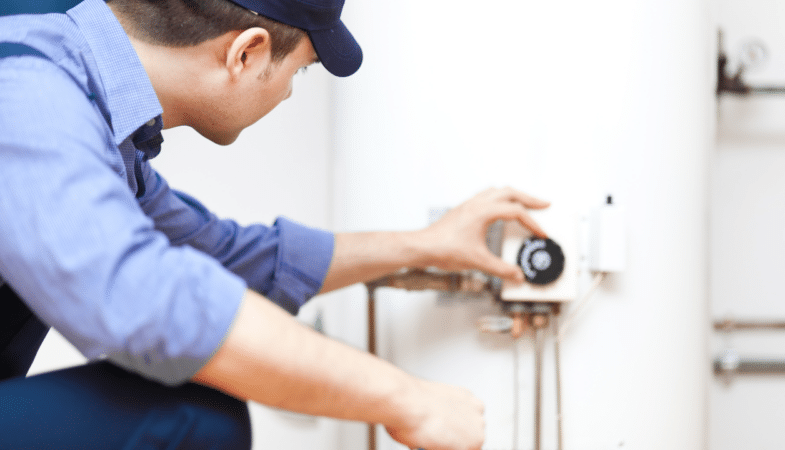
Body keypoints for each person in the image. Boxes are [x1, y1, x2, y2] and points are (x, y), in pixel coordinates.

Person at [0, 0, 550, 449]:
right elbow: (145, 299)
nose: (288, 92)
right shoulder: (27, 89)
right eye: (300, 70)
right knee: (191, 416)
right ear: (246, 52)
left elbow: (224, 258)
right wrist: (404, 397)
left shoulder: (93, 116)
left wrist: (426, 246)